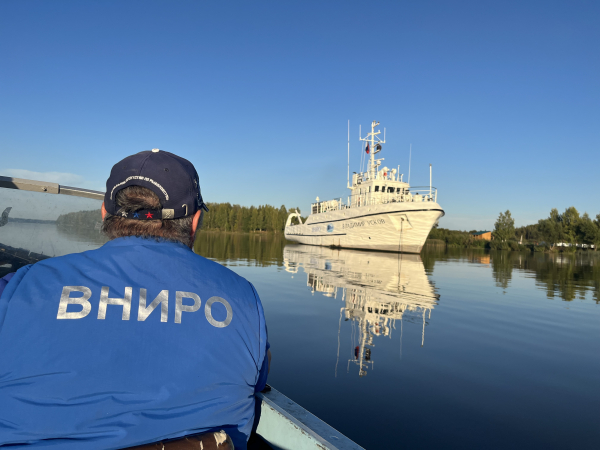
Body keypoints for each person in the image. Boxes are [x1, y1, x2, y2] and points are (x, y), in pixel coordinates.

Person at [0, 149, 270, 450]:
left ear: (105, 214)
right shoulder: (243, 299)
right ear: (194, 222)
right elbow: (257, 382)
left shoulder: (17, 288)